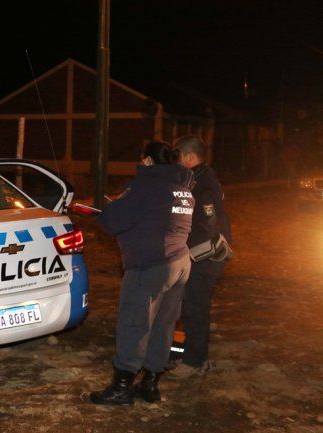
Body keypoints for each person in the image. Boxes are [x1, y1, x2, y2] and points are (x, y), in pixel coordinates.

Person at [89, 141, 194, 405]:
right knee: (163, 325)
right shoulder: (183, 187)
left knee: (134, 324)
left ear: (148, 160)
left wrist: (114, 205)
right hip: (180, 262)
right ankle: (150, 385)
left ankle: (121, 388)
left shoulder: (147, 185)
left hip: (150, 266)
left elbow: (111, 221)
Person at [169, 135, 231, 379]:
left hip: (203, 258)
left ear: (189, 157)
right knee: (190, 307)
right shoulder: (199, 177)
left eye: (178, 156)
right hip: (200, 256)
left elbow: (208, 224)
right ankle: (190, 355)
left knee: (195, 308)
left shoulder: (203, 184)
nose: (176, 162)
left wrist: (188, 252)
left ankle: (195, 362)